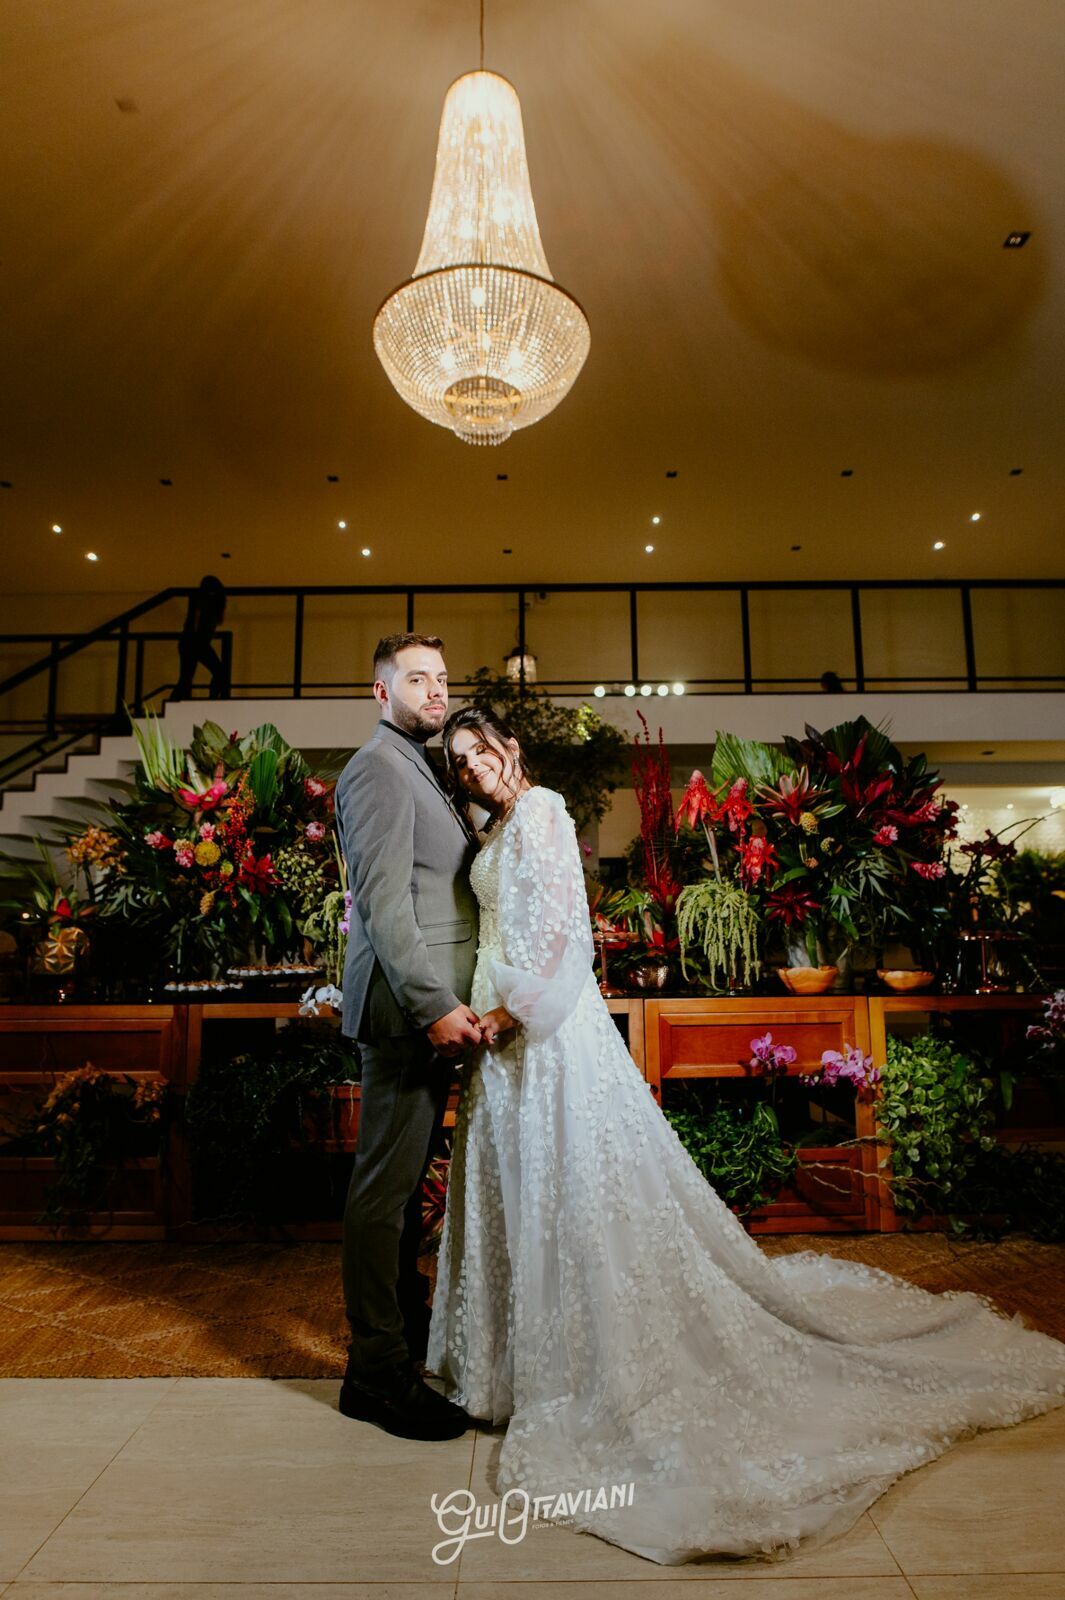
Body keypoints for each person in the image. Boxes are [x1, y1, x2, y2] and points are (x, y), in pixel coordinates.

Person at [426, 706, 1065, 1565]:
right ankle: (507, 1371)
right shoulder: (494, 827)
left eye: (480, 752)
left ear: (510, 746)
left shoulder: (540, 811)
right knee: (528, 1197)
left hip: (542, 1033)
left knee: (572, 1196)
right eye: (458, 762)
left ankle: (583, 1373)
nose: (471, 769)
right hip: (502, 1046)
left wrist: (511, 1014)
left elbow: (567, 946)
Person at [334, 633, 482, 1442]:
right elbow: (384, 905)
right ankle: (377, 1375)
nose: (435, 690)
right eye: (417, 678)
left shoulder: (418, 763)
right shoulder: (378, 769)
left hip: (426, 1013)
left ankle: (404, 1338)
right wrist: (432, 1004)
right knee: (381, 1198)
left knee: (398, 1199)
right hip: (403, 1014)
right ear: (380, 692)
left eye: (441, 679)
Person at [172, 575, 229, 700]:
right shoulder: (208, 603)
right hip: (196, 642)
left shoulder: (201, 601)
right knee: (217, 672)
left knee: (186, 677)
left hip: (193, 641)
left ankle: (175, 702)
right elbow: (196, 623)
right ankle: (212, 698)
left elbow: (195, 622)